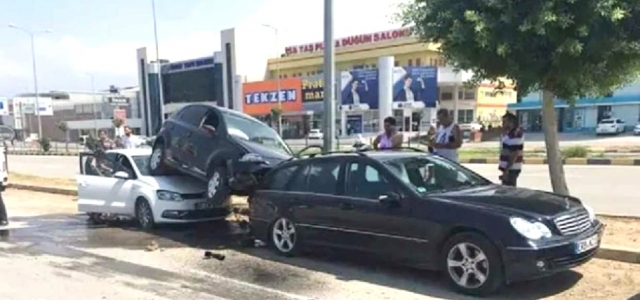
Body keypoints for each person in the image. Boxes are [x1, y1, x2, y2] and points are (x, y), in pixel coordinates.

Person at [499, 112, 524, 186]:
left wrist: (506, 171)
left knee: (508, 190)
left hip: (511, 169)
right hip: (508, 169)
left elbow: (514, 154)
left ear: (511, 122)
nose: (503, 124)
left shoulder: (516, 134)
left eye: (505, 122)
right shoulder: (508, 133)